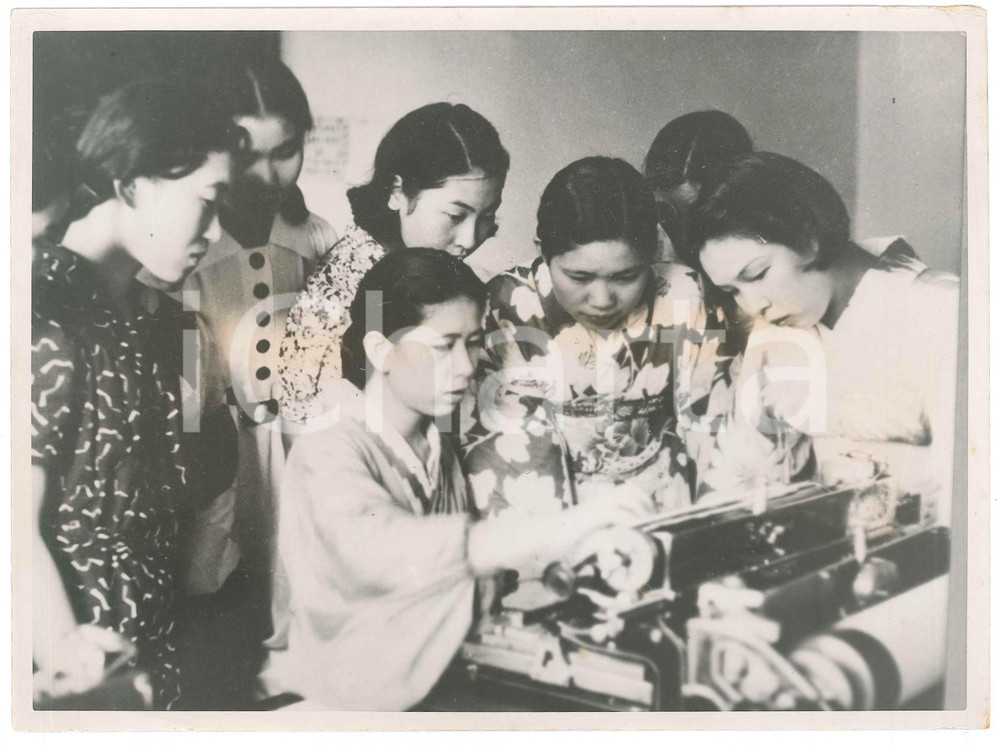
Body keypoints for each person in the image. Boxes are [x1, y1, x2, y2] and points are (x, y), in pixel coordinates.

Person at [260, 249, 653, 710]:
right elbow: (386, 553)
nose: (467, 367)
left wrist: (573, 557)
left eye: (472, 343)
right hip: (322, 699)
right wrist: (563, 528)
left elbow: (458, 579)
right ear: (379, 350)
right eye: (444, 346)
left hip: (409, 684)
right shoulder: (327, 448)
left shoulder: (435, 448)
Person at [31, 78, 235, 709]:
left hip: (152, 647)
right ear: (131, 184)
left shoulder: (150, 314)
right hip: (74, 663)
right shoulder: (43, 311)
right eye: (207, 202)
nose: (216, 231)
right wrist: (65, 651)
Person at [685, 152, 959, 520]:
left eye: (757, 275)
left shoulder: (943, 306)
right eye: (733, 291)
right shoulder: (775, 332)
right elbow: (738, 474)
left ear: (808, 237)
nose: (753, 305)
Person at [462, 156, 717, 517]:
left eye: (625, 277)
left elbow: (708, 423)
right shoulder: (507, 305)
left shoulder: (683, 293)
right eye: (579, 278)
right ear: (542, 251)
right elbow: (503, 447)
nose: (602, 300)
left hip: (665, 504)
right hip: (550, 515)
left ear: (652, 254)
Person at [277, 102, 509, 427]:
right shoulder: (354, 285)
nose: (470, 240)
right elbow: (307, 421)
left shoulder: (425, 269)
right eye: (455, 215)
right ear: (398, 192)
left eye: (487, 216)